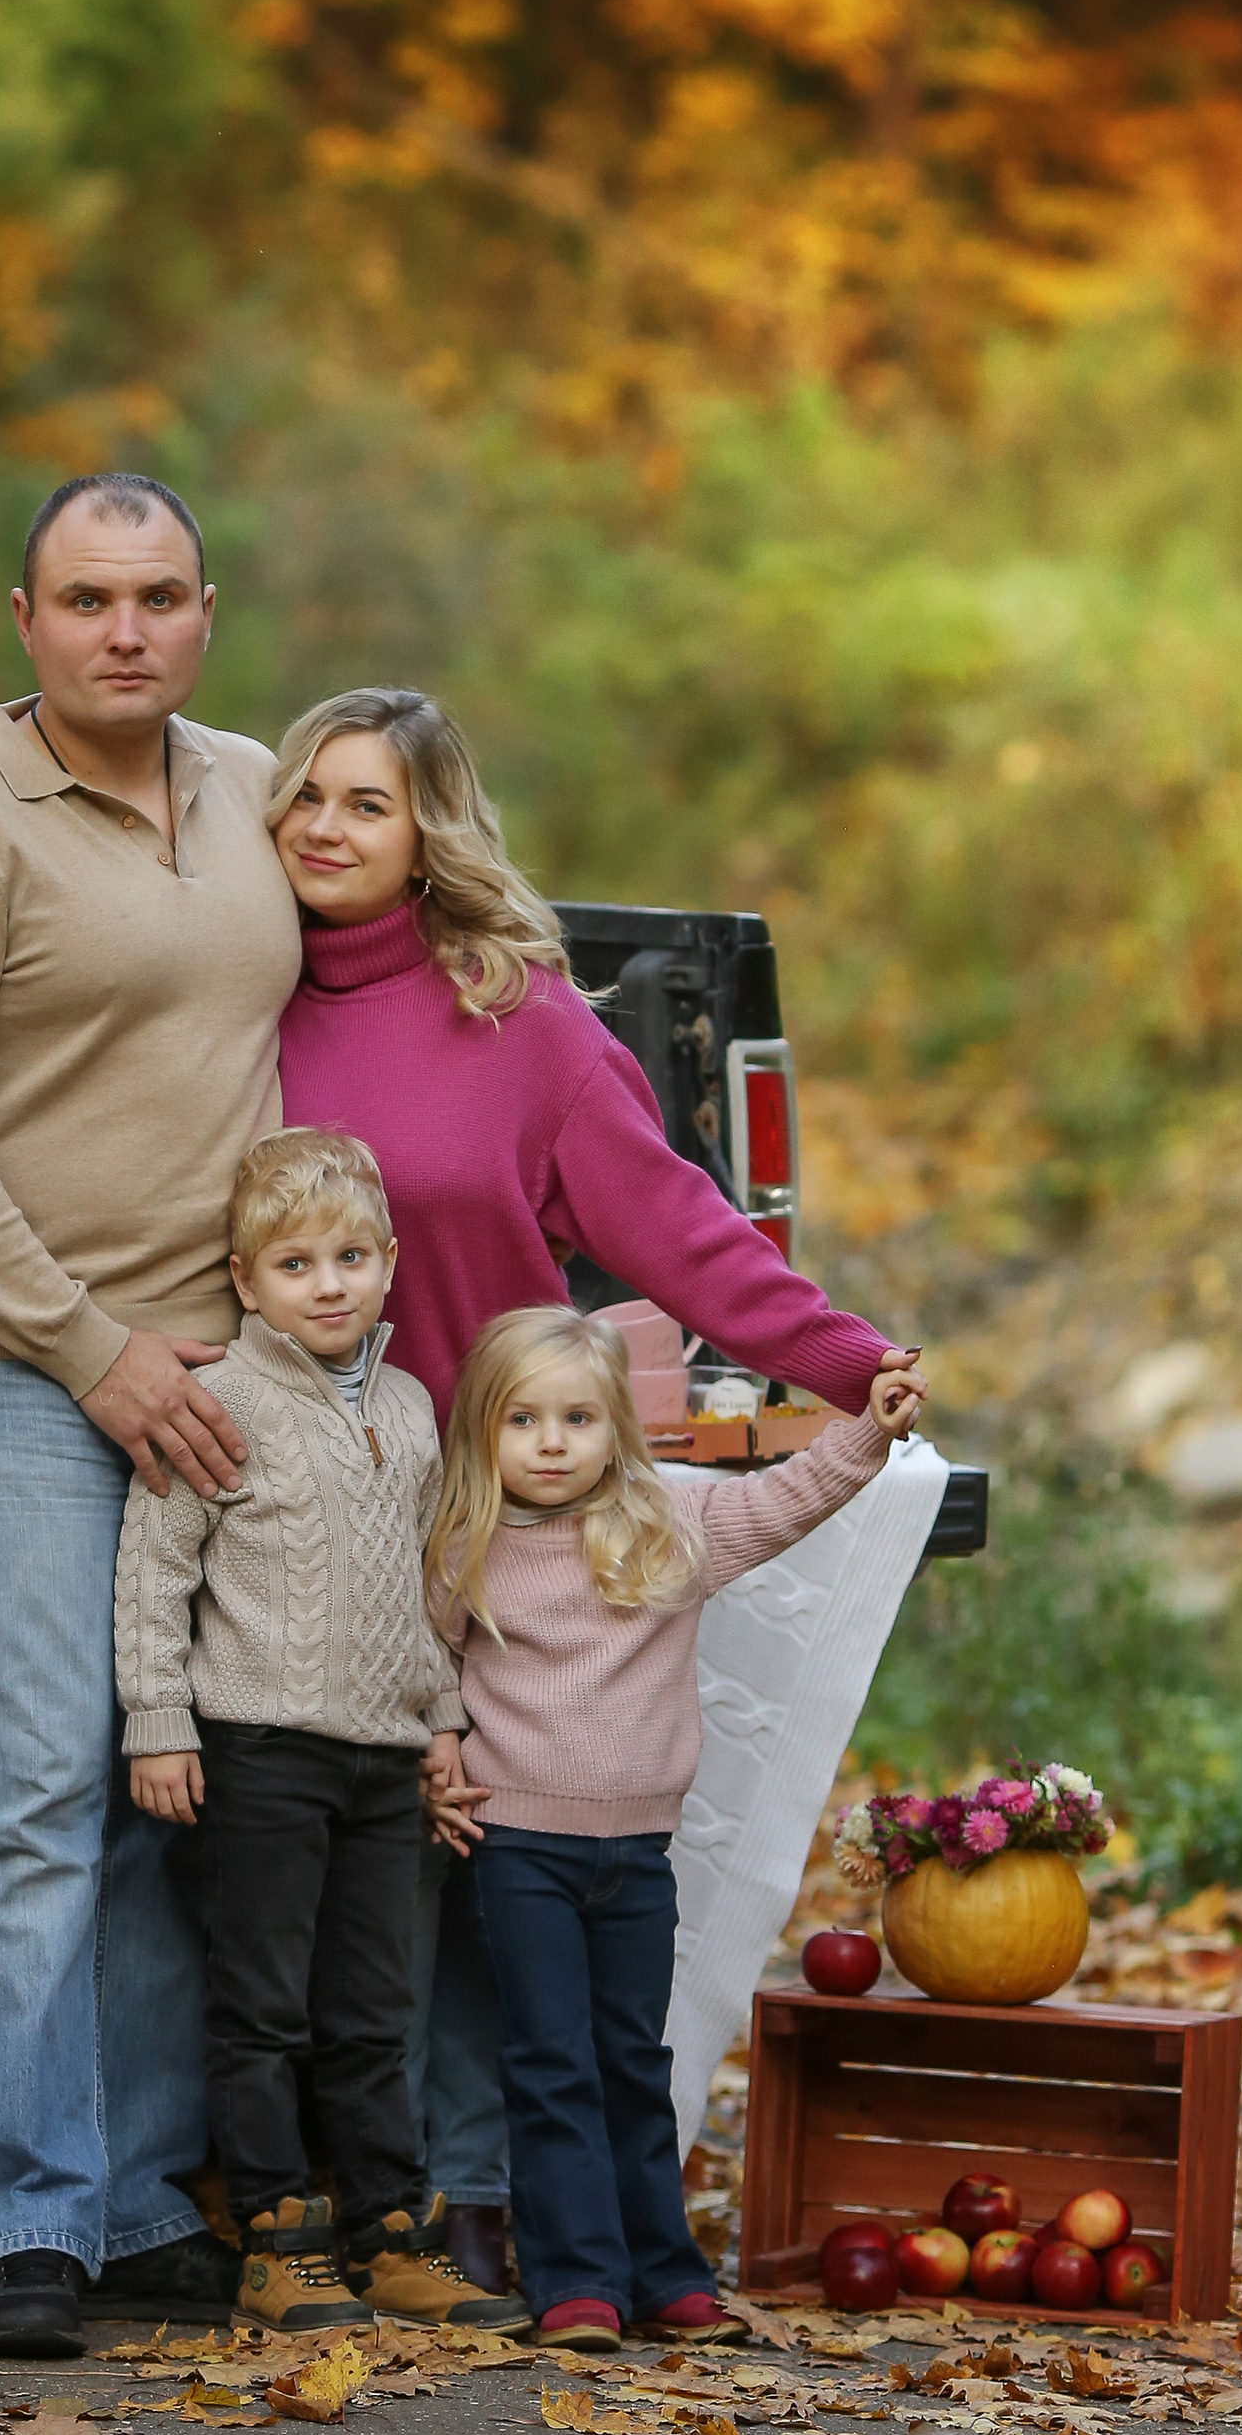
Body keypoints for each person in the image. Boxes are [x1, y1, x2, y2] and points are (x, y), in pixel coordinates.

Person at [269, 683, 924, 2298]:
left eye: (368, 802)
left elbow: (682, 1230)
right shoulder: (229, 1000)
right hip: (288, 1502)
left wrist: (844, 1361)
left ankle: (492, 2200)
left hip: (481, 1503)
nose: (327, 830)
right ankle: (321, 2199)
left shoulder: (526, 1027)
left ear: (432, 832)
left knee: (497, 1871)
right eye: (304, 797)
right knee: (321, 1871)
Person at [0, 473, 304, 2360]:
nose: (128, 630)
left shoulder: (261, 787)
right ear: (21, 620)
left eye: (162, 596)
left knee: (164, 1794)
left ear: (208, 612)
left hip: (240, 1382)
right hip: (31, 1377)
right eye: (88, 598)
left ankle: (130, 2205)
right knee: (34, 1792)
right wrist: (88, 1344)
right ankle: (29, 2216)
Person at [424, 1304, 926, 2347]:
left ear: (616, 1427)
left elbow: (793, 1496)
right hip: (518, 1848)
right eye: (522, 1421)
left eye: (575, 1418)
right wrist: (433, 1750)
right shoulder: (466, 1542)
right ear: (482, 1429)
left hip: (635, 1858)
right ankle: (575, 2287)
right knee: (551, 2063)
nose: (550, 1442)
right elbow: (421, 1662)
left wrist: (868, 1428)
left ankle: (664, 2275)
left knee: (630, 2063)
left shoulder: (671, 1527)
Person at [114, 1127, 530, 2339]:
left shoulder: (407, 1408)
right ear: (246, 1282)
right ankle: (276, 2231)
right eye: (295, 1265)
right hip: (260, 1750)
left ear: (389, 1263)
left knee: (372, 2003)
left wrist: (443, 1720)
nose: (329, 1283)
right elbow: (154, 1572)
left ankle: (391, 2234)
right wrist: (158, 1720)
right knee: (261, 2003)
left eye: (350, 1256)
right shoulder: (219, 1402)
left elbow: (430, 1580)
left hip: (383, 1756)